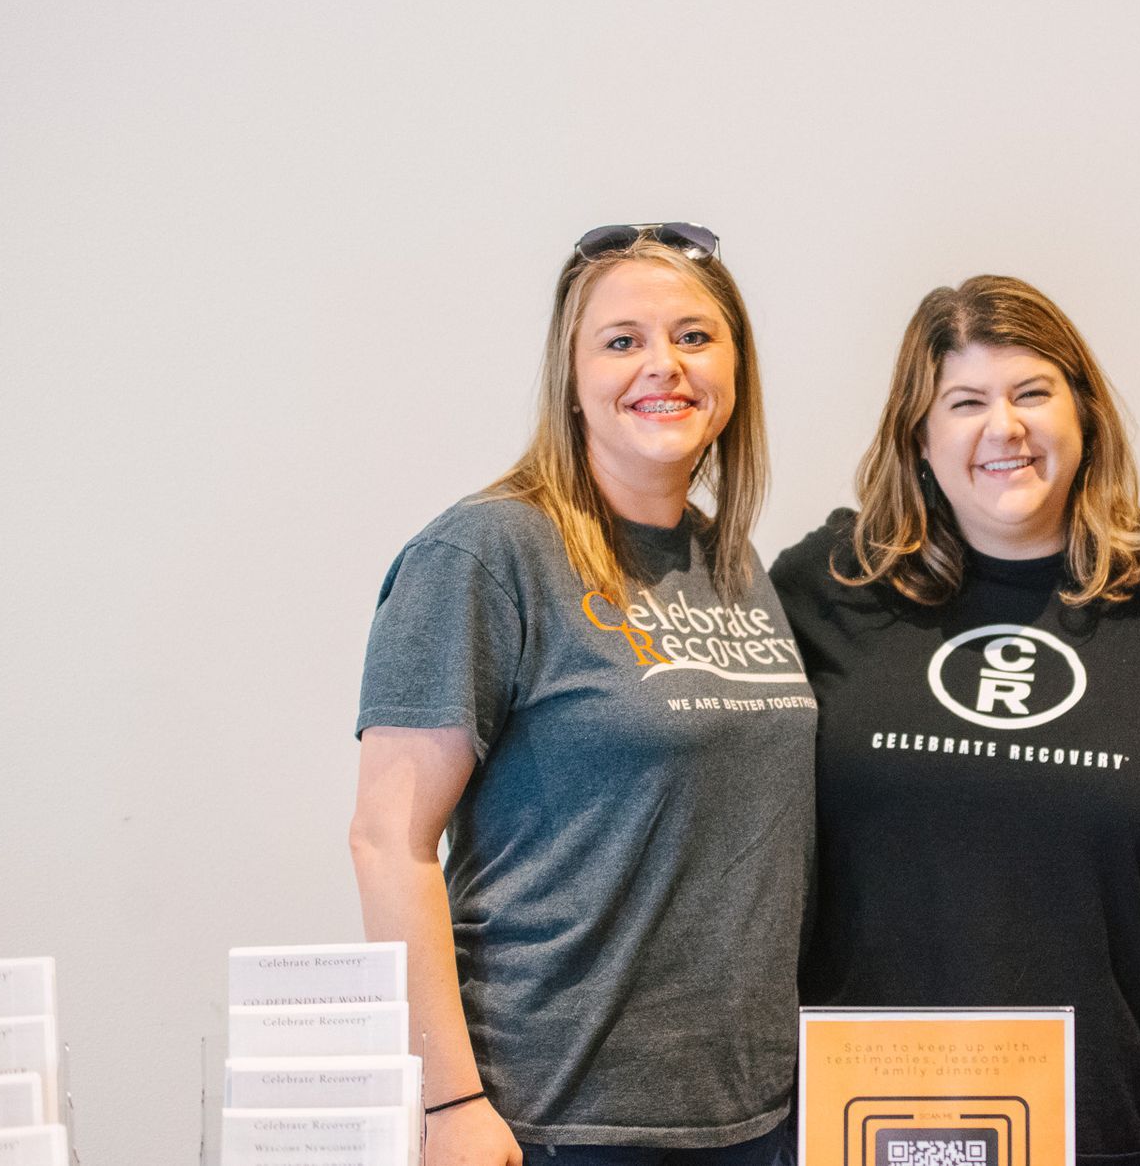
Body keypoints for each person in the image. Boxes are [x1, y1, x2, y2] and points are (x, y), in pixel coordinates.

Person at [347, 224, 815, 1166]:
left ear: (735, 367)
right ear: (570, 376)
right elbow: (387, 842)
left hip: (751, 1114)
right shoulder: (485, 554)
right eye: (621, 340)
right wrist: (449, 1105)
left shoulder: (733, 562)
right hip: (555, 1118)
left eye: (694, 336)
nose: (663, 366)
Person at [771, 275, 1140, 1166]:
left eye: (1032, 393)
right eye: (966, 401)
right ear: (921, 437)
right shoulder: (825, 589)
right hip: (875, 1129)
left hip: (1128, 1131)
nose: (1003, 428)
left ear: (1084, 415)